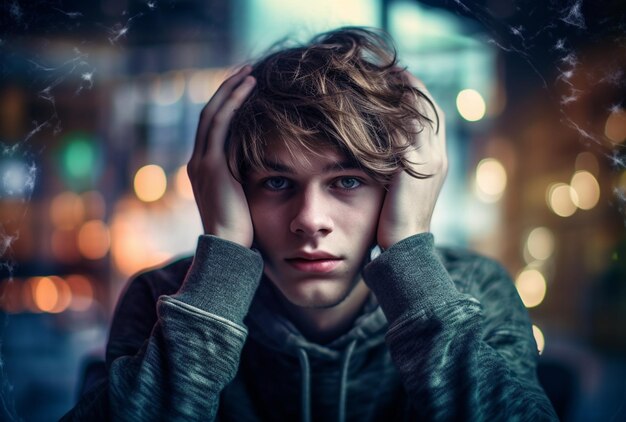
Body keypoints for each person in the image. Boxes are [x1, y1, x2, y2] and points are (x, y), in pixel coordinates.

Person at [63, 27, 558, 421]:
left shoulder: (474, 289)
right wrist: (218, 273)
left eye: (346, 182)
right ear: (231, 189)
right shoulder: (164, 299)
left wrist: (408, 245)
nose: (310, 221)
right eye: (277, 183)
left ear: (396, 186)